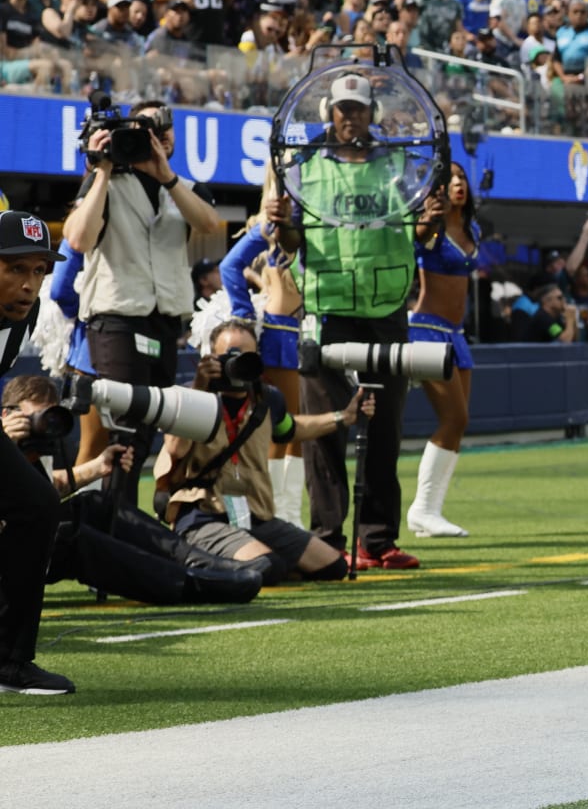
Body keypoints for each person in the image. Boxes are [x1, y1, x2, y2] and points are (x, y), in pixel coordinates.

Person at [275, 72, 422, 570]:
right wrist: (281, 226)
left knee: (386, 429)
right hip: (327, 309)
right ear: (329, 116)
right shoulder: (303, 170)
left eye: (359, 109)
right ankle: (328, 539)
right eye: (343, 109)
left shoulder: (403, 168)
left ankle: (377, 540)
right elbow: (291, 244)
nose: (351, 117)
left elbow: (421, 231)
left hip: (386, 311)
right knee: (325, 430)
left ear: (372, 114)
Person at [63, 100, 225, 502]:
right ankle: (112, 524)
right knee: (124, 429)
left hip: (165, 322)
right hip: (117, 319)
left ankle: (120, 522)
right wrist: (100, 169)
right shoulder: (106, 182)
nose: (155, 135)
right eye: (144, 128)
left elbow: (208, 224)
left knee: (149, 427)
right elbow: (78, 240)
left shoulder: (183, 186)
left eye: (163, 128)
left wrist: (165, 175)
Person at [4, 375, 263, 608]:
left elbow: (41, 494)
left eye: (50, 417)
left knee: (95, 504)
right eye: (35, 418)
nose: (44, 427)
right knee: (71, 539)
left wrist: (97, 467)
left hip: (22, 543)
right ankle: (191, 584)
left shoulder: (32, 452)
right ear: (6, 415)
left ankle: (201, 563)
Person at [157, 318, 363, 583]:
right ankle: (200, 556)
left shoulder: (267, 399)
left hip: (253, 515)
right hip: (202, 514)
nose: (237, 363)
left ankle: (239, 557)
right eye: (229, 356)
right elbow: (175, 449)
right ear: (211, 357)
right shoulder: (189, 397)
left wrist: (343, 417)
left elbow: (291, 430)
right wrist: (200, 386)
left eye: (246, 356)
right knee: (267, 567)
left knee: (333, 567)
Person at [0, 211, 74, 693]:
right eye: (15, 269)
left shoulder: (19, 321)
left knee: (39, 505)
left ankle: (9, 661)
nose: (30, 285)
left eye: (39, 271)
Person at [216, 173, 306, 525]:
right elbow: (229, 266)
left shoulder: (298, 225)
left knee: (281, 427)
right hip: (282, 333)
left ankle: (279, 512)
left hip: (289, 332)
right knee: (286, 427)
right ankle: (282, 514)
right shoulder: (270, 226)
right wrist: (242, 316)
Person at [407, 161, 480, 538]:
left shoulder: (472, 227)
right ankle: (421, 508)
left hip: (456, 333)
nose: (458, 184)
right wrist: (427, 216)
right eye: (450, 178)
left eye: (462, 177)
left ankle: (430, 510)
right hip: (426, 330)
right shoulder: (431, 224)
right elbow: (417, 237)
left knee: (459, 421)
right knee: (454, 418)